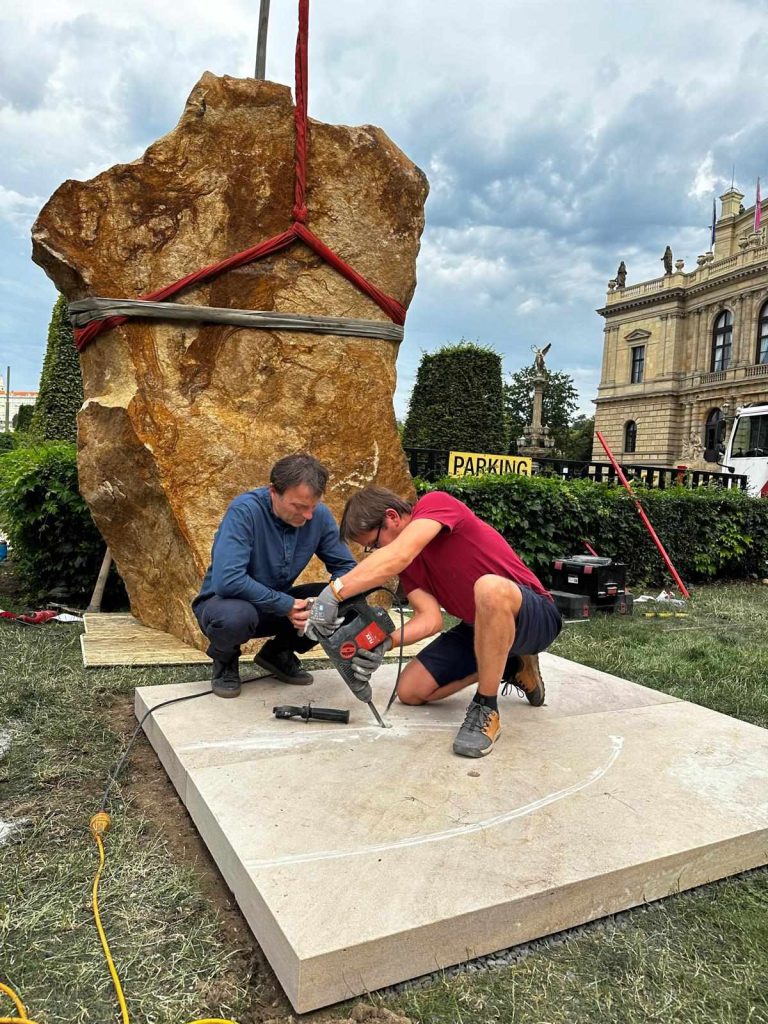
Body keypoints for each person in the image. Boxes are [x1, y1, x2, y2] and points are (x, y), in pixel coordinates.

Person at [304, 487, 563, 758]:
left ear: (392, 517)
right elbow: (430, 619)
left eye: (375, 544)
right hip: (479, 627)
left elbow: (398, 555)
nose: (377, 552)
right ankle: (512, 665)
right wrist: (384, 643)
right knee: (410, 690)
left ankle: (486, 707)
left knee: (488, 588)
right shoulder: (409, 567)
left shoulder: (435, 504)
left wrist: (333, 593)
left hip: (535, 616)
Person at [192, 453, 356, 698]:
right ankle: (225, 661)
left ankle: (278, 653)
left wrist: (322, 603)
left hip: (276, 605)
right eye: (299, 506)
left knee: (349, 597)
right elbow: (228, 580)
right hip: (224, 605)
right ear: (273, 492)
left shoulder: (318, 515)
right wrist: (286, 604)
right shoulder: (244, 511)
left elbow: (347, 568)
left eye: (313, 506)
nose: (309, 515)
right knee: (235, 617)